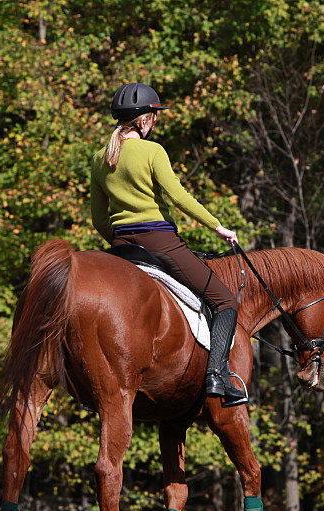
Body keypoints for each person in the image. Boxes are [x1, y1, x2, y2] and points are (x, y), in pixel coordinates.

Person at [90, 82, 247, 406]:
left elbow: (99, 219)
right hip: (160, 241)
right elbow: (178, 196)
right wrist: (217, 226)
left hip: (122, 246)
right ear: (144, 120)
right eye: (154, 116)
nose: (156, 122)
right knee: (225, 300)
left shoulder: (100, 157)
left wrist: (121, 243)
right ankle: (217, 377)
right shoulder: (153, 151)